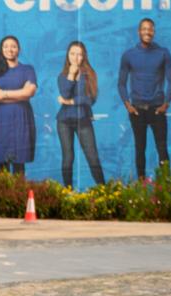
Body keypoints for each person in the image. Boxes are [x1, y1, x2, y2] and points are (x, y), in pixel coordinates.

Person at [118, 18, 171, 180]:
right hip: (137, 110)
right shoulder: (128, 55)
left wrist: (166, 104)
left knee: (162, 148)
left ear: (154, 32)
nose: (147, 32)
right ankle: (141, 184)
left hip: (157, 109)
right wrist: (128, 105)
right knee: (140, 148)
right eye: (144, 29)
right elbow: (121, 83)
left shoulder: (163, 53)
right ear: (139, 32)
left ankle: (165, 183)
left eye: (150, 29)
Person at [55, 41, 105, 189]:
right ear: (68, 55)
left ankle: (104, 190)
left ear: (84, 57)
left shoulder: (89, 75)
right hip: (64, 121)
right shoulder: (62, 76)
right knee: (68, 157)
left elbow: (90, 99)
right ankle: (68, 191)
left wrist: (71, 101)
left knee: (92, 156)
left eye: (79, 54)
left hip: (83, 119)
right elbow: (65, 93)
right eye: (72, 54)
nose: (75, 57)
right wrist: (71, 74)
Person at [0, 36, 37, 176]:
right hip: (0, 119)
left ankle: (19, 189)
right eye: (6, 46)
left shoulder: (27, 69)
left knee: (19, 162)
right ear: (1, 49)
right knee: (2, 161)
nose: (10, 49)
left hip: (22, 118)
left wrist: (3, 94)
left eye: (13, 46)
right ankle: (3, 190)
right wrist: (19, 94)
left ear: (19, 49)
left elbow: (29, 92)